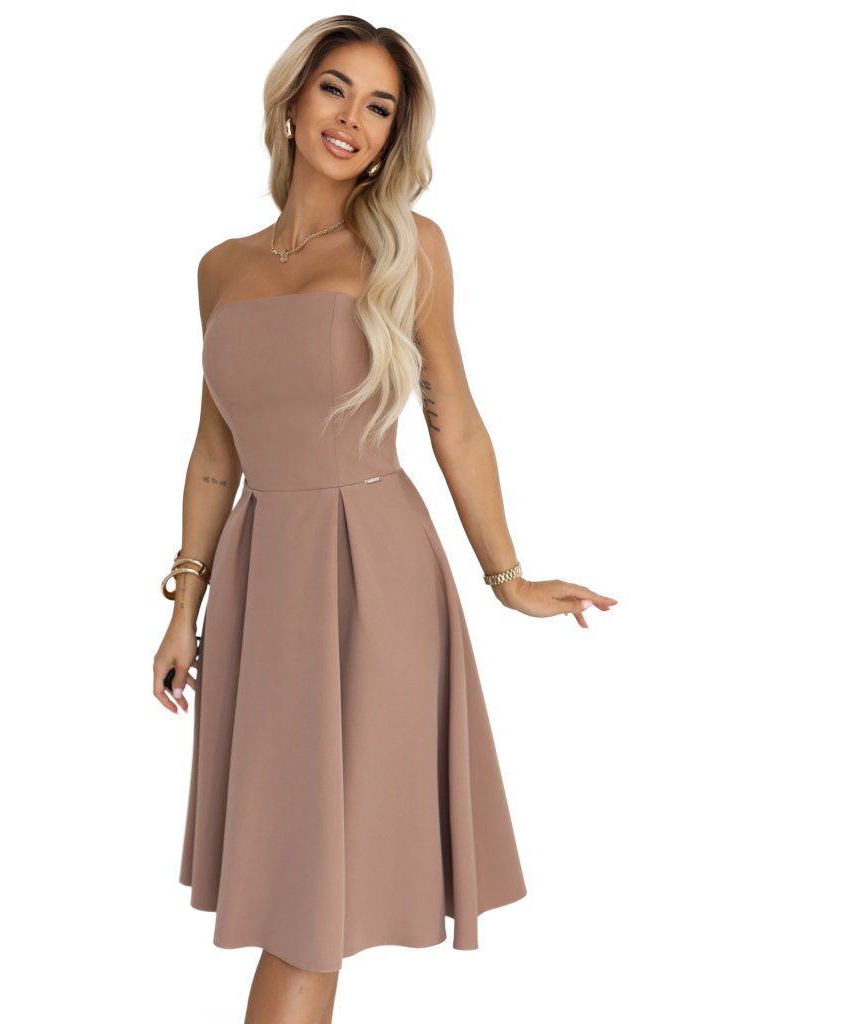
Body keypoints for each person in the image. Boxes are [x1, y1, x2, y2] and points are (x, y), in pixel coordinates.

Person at [153, 15, 617, 1024]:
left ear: (392, 136)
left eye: (379, 107)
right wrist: (182, 606)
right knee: (294, 884)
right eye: (335, 89)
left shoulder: (408, 247)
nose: (351, 119)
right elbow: (215, 453)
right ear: (291, 100)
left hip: (374, 576)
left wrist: (507, 577)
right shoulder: (220, 267)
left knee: (309, 905)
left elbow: (454, 417)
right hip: (263, 586)